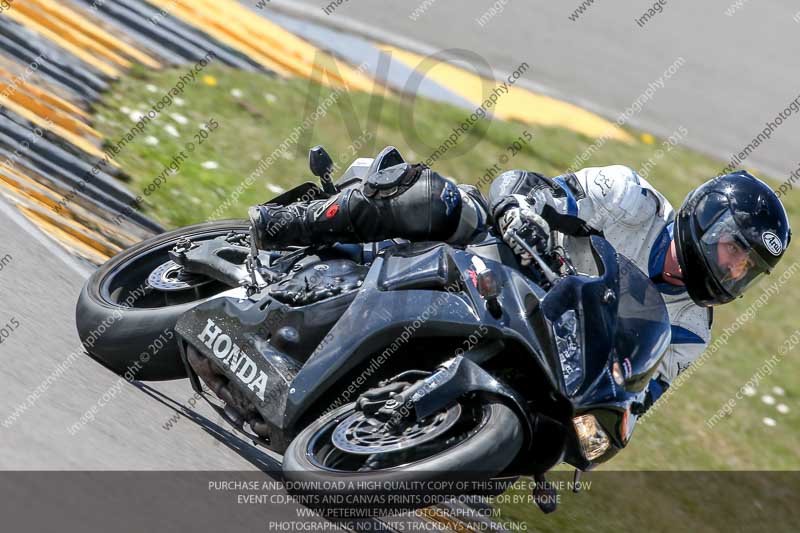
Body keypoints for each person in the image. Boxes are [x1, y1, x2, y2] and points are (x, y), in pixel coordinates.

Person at [249, 160, 791, 410]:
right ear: (704, 220)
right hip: (501, 266)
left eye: (748, 267)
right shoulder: (632, 197)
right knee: (448, 203)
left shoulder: (692, 330)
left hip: (543, 349)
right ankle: (287, 224)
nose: (734, 270)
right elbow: (535, 187)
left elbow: (635, 397)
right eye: (734, 248)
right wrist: (522, 209)